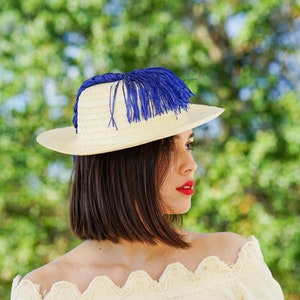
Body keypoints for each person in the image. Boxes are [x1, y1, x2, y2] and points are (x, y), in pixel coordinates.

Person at [11, 67, 283, 299]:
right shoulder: (44, 290)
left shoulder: (230, 262)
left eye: (188, 144)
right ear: (118, 164)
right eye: (165, 147)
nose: (190, 164)